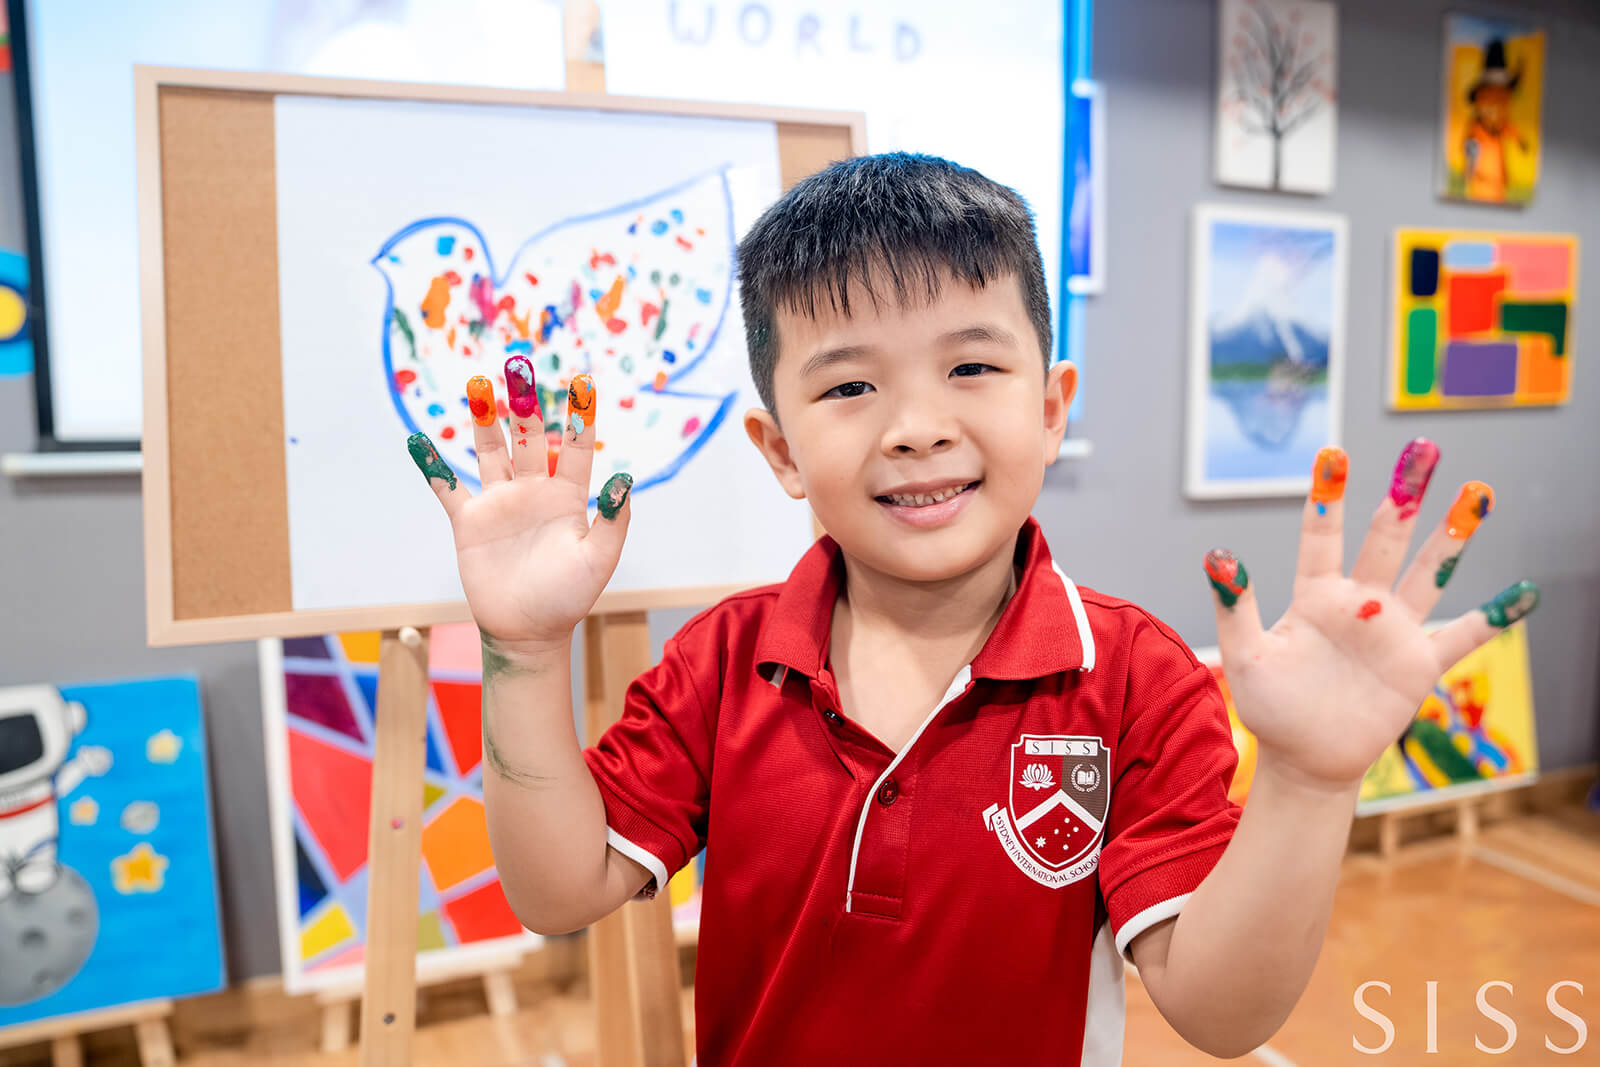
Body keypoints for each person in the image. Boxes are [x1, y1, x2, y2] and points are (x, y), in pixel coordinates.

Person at [407, 153, 1537, 1063]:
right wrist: (524, 648)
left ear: (1050, 406)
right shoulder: (722, 662)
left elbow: (1220, 1012)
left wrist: (1309, 783)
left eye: (971, 369)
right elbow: (557, 891)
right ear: (779, 449)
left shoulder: (1134, 678)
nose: (917, 427)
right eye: (850, 385)